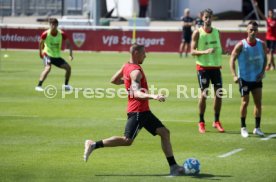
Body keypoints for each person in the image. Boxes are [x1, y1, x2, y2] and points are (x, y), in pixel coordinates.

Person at [83, 44, 185, 176]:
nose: (146, 56)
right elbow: (136, 93)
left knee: (164, 132)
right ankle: (93, 144)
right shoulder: (136, 71)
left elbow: (113, 80)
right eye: (144, 53)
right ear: (136, 53)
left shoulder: (126, 66)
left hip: (144, 111)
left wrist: (127, 82)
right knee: (127, 140)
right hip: (138, 111)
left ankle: (174, 167)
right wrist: (153, 95)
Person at [229, 20, 267, 138]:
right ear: (247, 30)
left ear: (258, 31)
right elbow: (232, 59)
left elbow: (265, 58)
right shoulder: (241, 45)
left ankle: (257, 128)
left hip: (256, 79)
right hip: (244, 79)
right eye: (251, 30)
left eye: (255, 30)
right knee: (245, 103)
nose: (253, 32)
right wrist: (234, 75)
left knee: (258, 103)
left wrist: (262, 72)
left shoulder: (262, 44)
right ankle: (243, 127)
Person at [191, 8, 225, 134]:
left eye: (210, 17)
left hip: (216, 68)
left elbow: (220, 48)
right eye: (206, 17)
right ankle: (201, 122)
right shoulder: (197, 33)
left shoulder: (217, 32)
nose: (208, 19)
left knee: (219, 96)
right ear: (202, 18)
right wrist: (204, 52)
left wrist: (225, 51)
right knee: (203, 96)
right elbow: (192, 51)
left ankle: (216, 121)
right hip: (203, 68)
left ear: (212, 18)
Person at [35, 18, 73, 92]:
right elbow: (40, 43)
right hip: (47, 54)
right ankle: (38, 86)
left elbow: (69, 45)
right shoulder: (45, 34)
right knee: (48, 68)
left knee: (68, 68)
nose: (53, 26)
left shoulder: (62, 34)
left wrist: (71, 55)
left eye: (55, 25)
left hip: (56, 56)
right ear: (50, 25)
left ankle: (66, 85)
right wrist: (40, 53)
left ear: (57, 25)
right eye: (52, 25)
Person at [255, 3, 276, 70]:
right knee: (269, 52)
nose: (271, 14)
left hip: (274, 38)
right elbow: (261, 14)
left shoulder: (275, 20)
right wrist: (256, 7)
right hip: (268, 38)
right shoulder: (268, 20)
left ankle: (269, 65)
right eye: (270, 13)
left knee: (271, 51)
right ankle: (273, 65)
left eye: (272, 13)